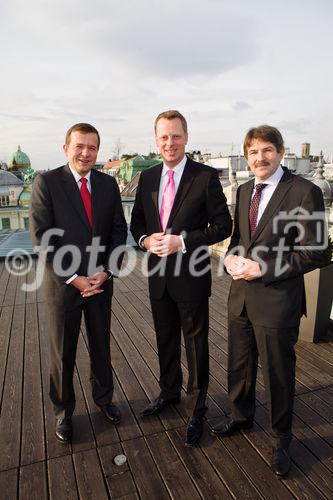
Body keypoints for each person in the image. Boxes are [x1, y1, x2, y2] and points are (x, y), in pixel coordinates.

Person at [211, 125, 327, 476]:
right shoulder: (246, 190)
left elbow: (318, 251)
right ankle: (241, 416)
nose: (259, 158)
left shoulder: (304, 191)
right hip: (240, 297)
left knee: (278, 373)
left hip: (277, 299)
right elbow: (237, 241)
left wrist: (263, 268)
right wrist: (230, 258)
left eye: (266, 150)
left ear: (280, 151)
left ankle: (281, 438)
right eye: (253, 152)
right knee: (239, 364)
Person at [130, 110, 232, 446]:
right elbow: (137, 225)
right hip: (158, 276)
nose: (169, 142)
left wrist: (183, 241)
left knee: (195, 344)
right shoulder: (147, 178)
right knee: (165, 339)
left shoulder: (205, 177)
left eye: (175, 136)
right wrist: (146, 241)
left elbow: (223, 225)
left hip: (191, 275)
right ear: (156, 139)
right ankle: (169, 393)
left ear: (186, 137)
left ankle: (197, 408)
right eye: (163, 137)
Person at [30, 123, 127, 443]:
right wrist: (73, 278)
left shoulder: (108, 184)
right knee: (63, 352)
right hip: (63, 286)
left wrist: (107, 271)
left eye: (92, 148)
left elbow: (117, 233)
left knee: (101, 346)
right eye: (79, 146)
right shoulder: (46, 183)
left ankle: (104, 400)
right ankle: (63, 412)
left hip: (100, 282)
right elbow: (43, 238)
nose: (86, 153)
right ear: (66, 148)